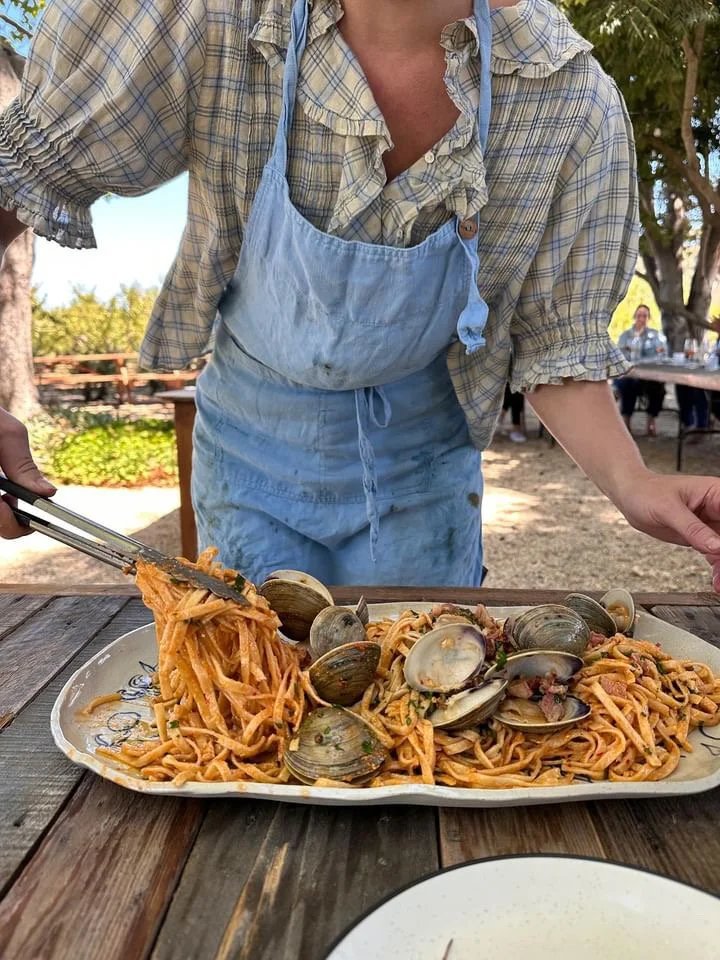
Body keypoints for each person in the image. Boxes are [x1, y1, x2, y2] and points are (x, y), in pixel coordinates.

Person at [3, 0, 720, 593]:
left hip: (424, 470)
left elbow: (553, 342)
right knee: (253, 699)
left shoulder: (567, 98)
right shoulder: (208, 16)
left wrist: (634, 485)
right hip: (247, 453)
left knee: (429, 718)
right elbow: (21, 173)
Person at [615, 305, 667, 437]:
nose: (641, 319)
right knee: (628, 384)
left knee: (658, 386)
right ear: (634, 317)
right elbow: (618, 357)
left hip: (648, 377)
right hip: (629, 376)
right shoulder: (625, 336)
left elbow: (663, 354)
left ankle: (651, 421)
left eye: (645, 316)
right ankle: (626, 422)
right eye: (639, 315)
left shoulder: (656, 336)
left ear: (649, 318)